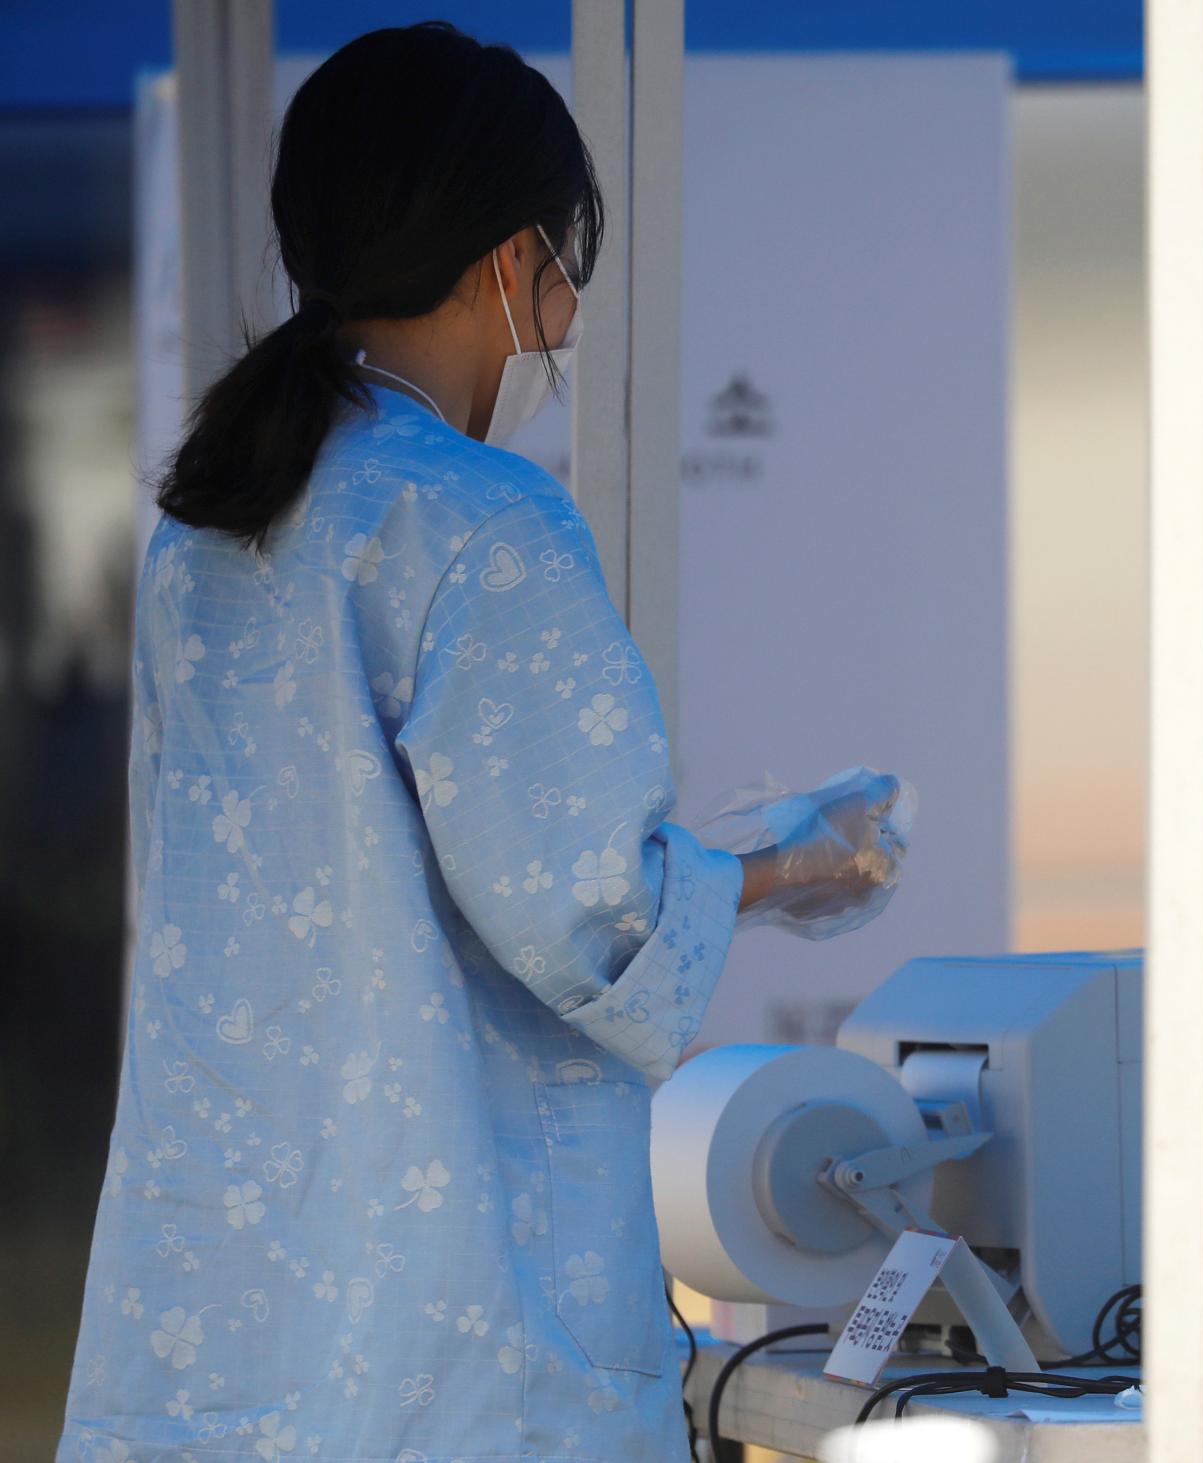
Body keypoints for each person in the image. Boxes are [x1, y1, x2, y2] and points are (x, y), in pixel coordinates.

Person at [60, 25, 905, 1462]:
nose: (568, 315)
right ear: (511, 260)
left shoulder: (208, 532)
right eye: (564, 263)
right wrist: (791, 863)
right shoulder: (477, 521)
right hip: (447, 1303)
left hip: (234, 1278)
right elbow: (590, 904)